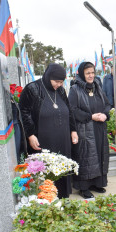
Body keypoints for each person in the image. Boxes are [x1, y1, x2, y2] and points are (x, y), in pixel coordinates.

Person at [19, 63, 78, 199]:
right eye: (56, 81)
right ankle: (47, 201)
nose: (59, 85)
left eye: (61, 82)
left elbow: (68, 111)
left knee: (61, 171)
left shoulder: (61, 91)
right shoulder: (32, 89)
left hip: (62, 140)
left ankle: (63, 198)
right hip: (43, 140)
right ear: (48, 76)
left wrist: (73, 130)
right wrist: (30, 134)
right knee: (47, 173)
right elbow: (25, 112)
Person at [68, 62, 110, 199]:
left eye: (92, 72)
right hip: (84, 128)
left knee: (98, 154)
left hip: (99, 128)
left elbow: (107, 104)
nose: (91, 75)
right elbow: (72, 110)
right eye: (88, 73)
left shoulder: (97, 86)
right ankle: (84, 187)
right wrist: (90, 116)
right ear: (82, 74)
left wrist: (105, 114)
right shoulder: (75, 89)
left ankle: (97, 183)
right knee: (86, 156)